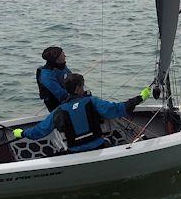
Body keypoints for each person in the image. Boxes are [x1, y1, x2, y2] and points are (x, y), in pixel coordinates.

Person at [14, 73, 152, 153]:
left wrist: (21, 133)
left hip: (74, 152)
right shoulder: (92, 101)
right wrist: (140, 98)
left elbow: (40, 131)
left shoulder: (59, 111)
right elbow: (117, 109)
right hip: (97, 146)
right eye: (83, 85)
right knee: (110, 142)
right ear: (79, 88)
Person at [36, 46, 72, 112]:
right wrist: (74, 95)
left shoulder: (62, 67)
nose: (65, 56)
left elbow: (73, 79)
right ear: (57, 59)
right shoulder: (46, 75)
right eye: (62, 55)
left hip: (69, 98)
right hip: (56, 104)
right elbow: (60, 94)